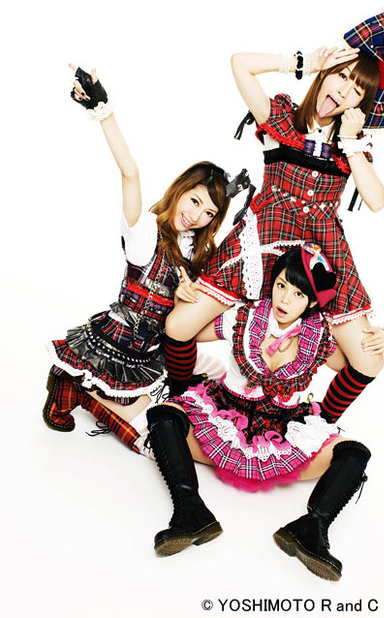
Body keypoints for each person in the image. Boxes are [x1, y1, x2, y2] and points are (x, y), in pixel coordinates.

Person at [162, 12, 384, 423]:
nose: (344, 91)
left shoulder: (352, 145)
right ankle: (180, 400)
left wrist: (350, 142)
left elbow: (376, 200)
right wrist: (302, 62)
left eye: (357, 90)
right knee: (178, 327)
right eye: (341, 77)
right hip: (262, 242)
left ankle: (313, 424)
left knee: (368, 360)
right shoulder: (283, 119)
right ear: (326, 74)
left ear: (360, 105)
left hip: (321, 256)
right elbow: (240, 63)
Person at [42, 66, 249, 453]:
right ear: (180, 190)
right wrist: (103, 110)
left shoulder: (196, 250)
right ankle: (75, 388)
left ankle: (115, 396)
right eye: (194, 201)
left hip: (152, 351)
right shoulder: (145, 233)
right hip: (116, 346)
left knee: (215, 375)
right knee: (148, 440)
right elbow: (130, 173)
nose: (197, 215)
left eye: (208, 212)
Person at [144, 247, 372, 581]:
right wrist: (183, 300)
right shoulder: (244, 317)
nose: (285, 299)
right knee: (163, 415)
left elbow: (356, 367)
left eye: (298, 294)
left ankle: (312, 530)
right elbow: (184, 332)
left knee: (354, 452)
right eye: (281, 285)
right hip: (220, 429)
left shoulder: (318, 339)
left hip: (282, 442)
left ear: (312, 302)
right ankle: (189, 511)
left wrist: (376, 337)